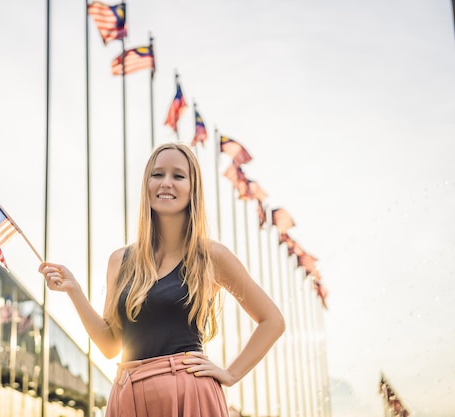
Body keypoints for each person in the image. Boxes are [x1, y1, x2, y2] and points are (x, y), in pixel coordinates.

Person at [39, 142, 285, 417]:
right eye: (157, 174)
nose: (166, 183)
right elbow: (110, 346)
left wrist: (230, 373)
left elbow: (272, 321)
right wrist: (75, 291)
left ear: (193, 189)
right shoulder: (120, 261)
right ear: (147, 184)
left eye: (178, 176)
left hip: (187, 395)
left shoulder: (211, 256)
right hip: (127, 395)